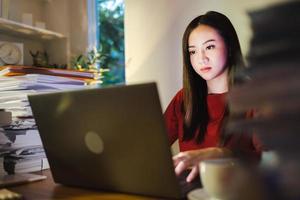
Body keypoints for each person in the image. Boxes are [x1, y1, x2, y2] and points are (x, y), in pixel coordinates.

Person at [164, 11, 263, 182]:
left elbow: (272, 161)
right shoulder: (183, 99)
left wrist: (220, 154)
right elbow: (150, 147)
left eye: (209, 47)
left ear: (230, 47)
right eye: (193, 51)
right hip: (187, 190)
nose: (201, 59)